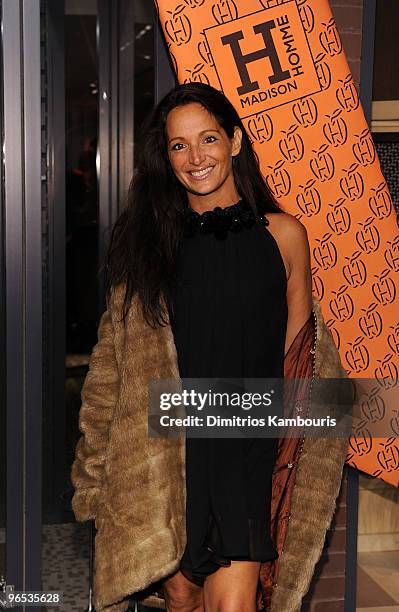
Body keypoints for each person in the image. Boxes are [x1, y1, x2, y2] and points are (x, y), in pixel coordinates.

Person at [71, 83, 347, 612]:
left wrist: (293, 458)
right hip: (172, 456)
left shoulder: (285, 235)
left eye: (208, 139)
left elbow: (298, 356)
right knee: (181, 598)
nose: (196, 157)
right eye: (179, 145)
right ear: (166, 156)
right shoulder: (149, 246)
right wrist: (99, 471)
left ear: (235, 141)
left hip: (248, 451)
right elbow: (114, 367)